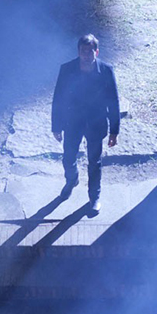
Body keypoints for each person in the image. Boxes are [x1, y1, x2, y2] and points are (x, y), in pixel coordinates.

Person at [51, 34, 120, 214]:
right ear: (78, 52)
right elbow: (58, 98)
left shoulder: (106, 70)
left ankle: (94, 196)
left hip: (96, 123)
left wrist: (114, 131)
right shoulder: (67, 69)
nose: (87, 55)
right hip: (72, 122)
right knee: (68, 158)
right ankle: (72, 179)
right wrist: (56, 126)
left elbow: (113, 101)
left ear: (96, 52)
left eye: (90, 51)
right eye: (83, 51)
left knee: (94, 162)